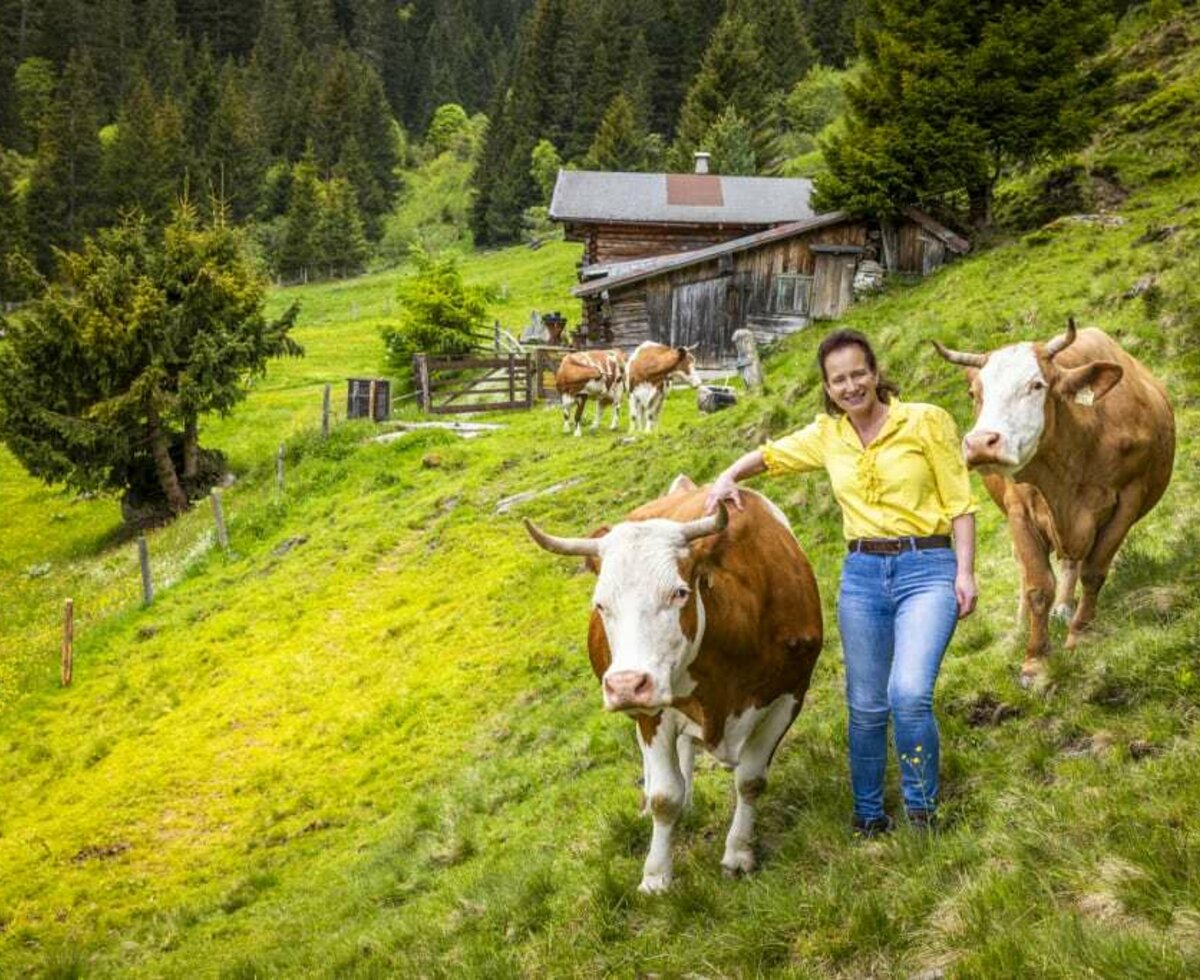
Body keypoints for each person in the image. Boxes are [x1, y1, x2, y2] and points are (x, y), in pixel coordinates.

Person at [704, 329, 977, 836]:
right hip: (863, 578)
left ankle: (922, 811)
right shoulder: (829, 436)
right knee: (866, 704)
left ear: (875, 373)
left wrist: (965, 571)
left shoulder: (926, 421)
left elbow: (960, 504)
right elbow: (770, 456)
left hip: (927, 569)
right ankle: (868, 816)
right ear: (828, 389)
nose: (850, 386)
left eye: (858, 374)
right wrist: (727, 477)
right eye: (838, 380)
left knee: (910, 694)